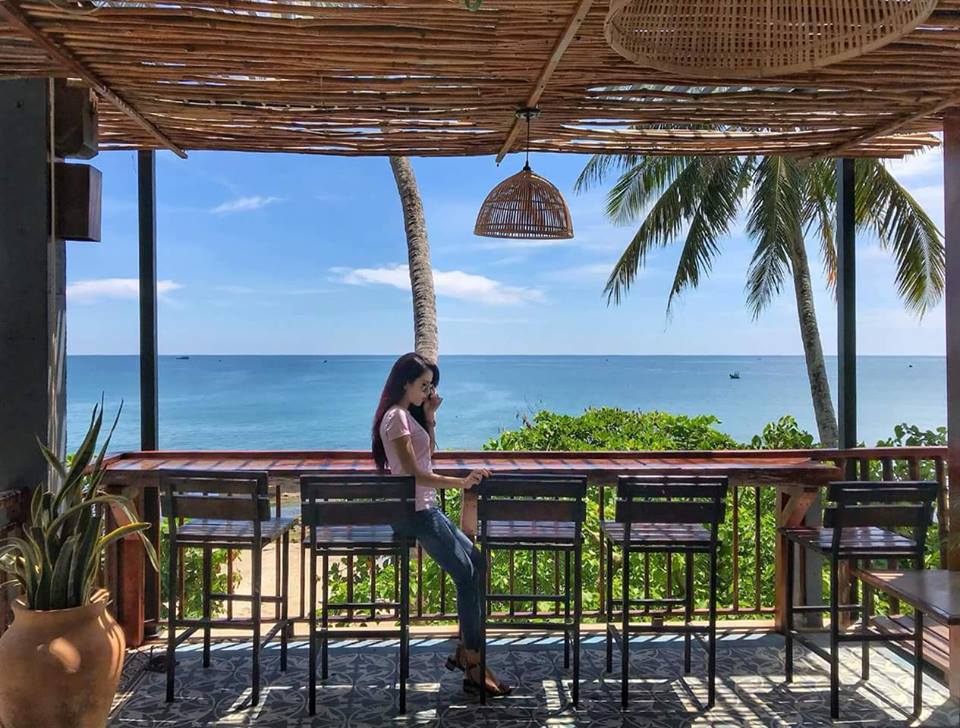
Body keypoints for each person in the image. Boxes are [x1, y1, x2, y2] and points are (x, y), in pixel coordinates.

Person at [372, 352, 511, 697]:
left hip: (425, 509)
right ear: (405, 383)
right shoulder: (396, 417)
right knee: (466, 575)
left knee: (477, 563)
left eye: (430, 386)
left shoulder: (406, 416)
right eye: (423, 385)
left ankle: (466, 651)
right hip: (417, 514)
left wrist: (431, 416)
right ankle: (474, 665)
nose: (428, 391)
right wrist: (462, 482)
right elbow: (415, 473)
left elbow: (425, 457)